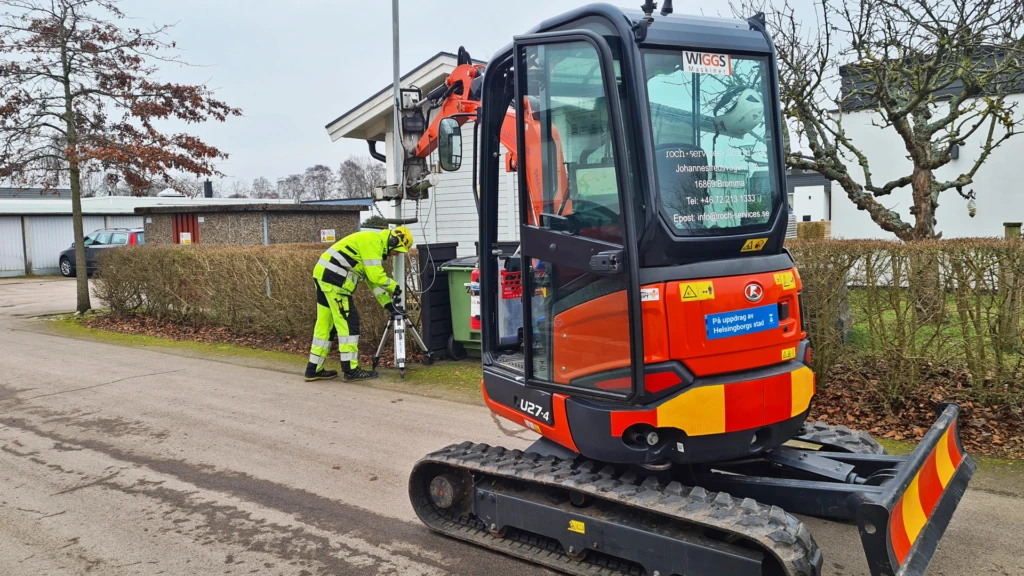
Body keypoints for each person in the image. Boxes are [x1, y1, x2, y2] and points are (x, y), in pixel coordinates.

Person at [305, 226, 413, 382]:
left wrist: (389, 305)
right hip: (335, 281)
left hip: (325, 277)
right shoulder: (374, 243)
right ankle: (351, 370)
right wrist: (395, 287)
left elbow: (372, 281)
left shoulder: (372, 243)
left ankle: (313, 369)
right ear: (393, 241)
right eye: (397, 250)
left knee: (325, 325)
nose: (396, 255)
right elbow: (377, 277)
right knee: (349, 323)